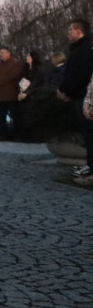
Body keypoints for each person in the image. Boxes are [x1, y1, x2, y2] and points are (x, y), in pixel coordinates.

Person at [57, 19, 93, 185]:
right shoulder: (79, 50)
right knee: (87, 134)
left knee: (90, 133)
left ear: (79, 31)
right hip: (78, 96)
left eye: (71, 29)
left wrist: (66, 91)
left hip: (83, 97)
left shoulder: (85, 51)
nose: (68, 33)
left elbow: (79, 76)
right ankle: (89, 164)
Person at [0, 47, 25, 139]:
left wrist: (1, 80)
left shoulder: (15, 63)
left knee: (15, 115)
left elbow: (13, 74)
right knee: (1, 115)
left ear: (8, 53)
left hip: (11, 95)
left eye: (2, 53)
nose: (0, 55)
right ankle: (3, 134)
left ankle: (17, 134)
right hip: (0, 95)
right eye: (0, 53)